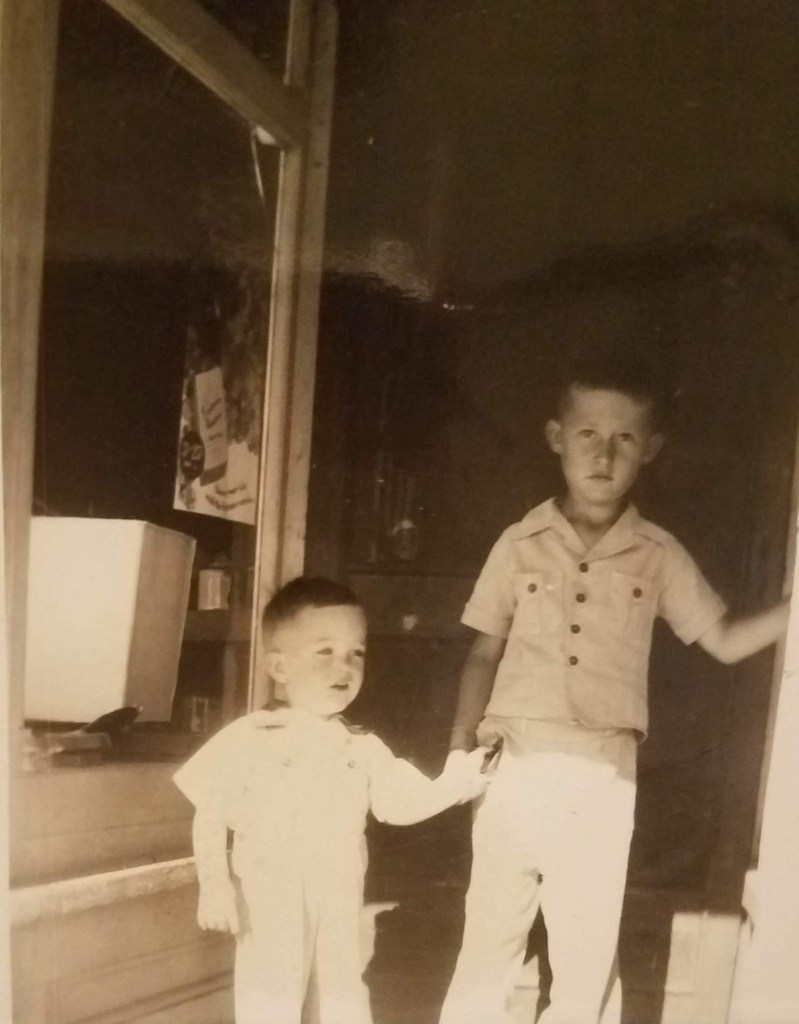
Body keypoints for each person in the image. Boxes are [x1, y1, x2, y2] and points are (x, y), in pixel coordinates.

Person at [438, 345, 790, 1024]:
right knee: (489, 939)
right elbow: (482, 653)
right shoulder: (518, 543)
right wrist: (460, 749)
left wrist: (793, 608)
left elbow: (723, 641)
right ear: (556, 438)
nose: (603, 454)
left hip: (602, 775)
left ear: (649, 449)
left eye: (624, 439)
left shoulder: (656, 554)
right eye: (587, 434)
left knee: (586, 951)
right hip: (514, 762)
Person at [173, 576, 491, 1024]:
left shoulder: (359, 745)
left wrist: (457, 784)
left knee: (342, 994)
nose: (344, 667)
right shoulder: (249, 737)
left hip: (340, 890)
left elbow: (401, 803)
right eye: (325, 651)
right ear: (279, 667)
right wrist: (215, 885)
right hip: (271, 893)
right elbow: (209, 813)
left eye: (356, 653)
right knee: (271, 994)